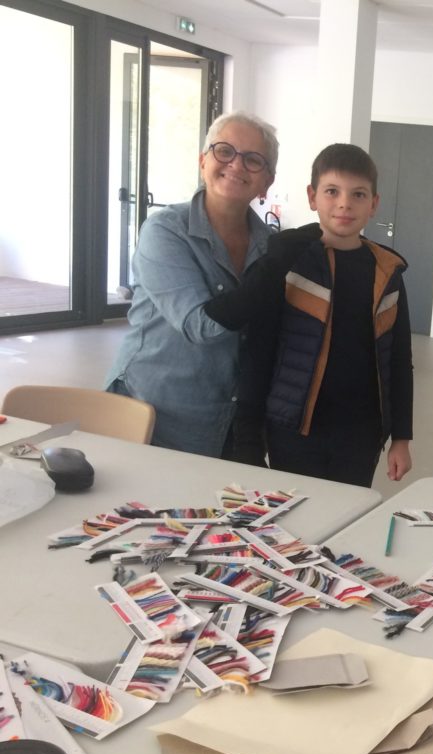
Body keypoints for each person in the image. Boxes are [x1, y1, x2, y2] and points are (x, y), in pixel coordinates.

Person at [205, 143, 413, 488]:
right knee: (293, 516)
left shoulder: (387, 272)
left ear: (373, 204)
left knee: (347, 513)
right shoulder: (288, 262)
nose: (345, 203)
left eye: (358, 194)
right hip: (292, 428)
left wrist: (401, 437)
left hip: (361, 432)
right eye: (332, 191)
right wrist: (249, 438)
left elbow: (400, 360)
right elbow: (260, 352)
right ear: (312, 196)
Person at [105, 111, 278, 457]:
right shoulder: (165, 230)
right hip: (153, 413)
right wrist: (280, 267)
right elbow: (200, 325)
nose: (236, 165)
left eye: (253, 160)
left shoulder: (270, 245)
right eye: (224, 151)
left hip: (230, 419)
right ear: (203, 161)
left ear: (266, 182)